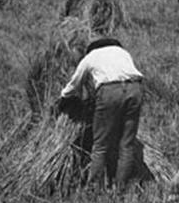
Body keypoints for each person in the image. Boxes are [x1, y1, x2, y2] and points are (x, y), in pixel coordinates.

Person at [58, 36, 145, 190]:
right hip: (135, 89)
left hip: (110, 92)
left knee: (100, 145)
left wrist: (63, 98)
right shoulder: (123, 53)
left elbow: (74, 83)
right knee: (127, 144)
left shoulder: (91, 56)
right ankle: (120, 189)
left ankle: (93, 189)